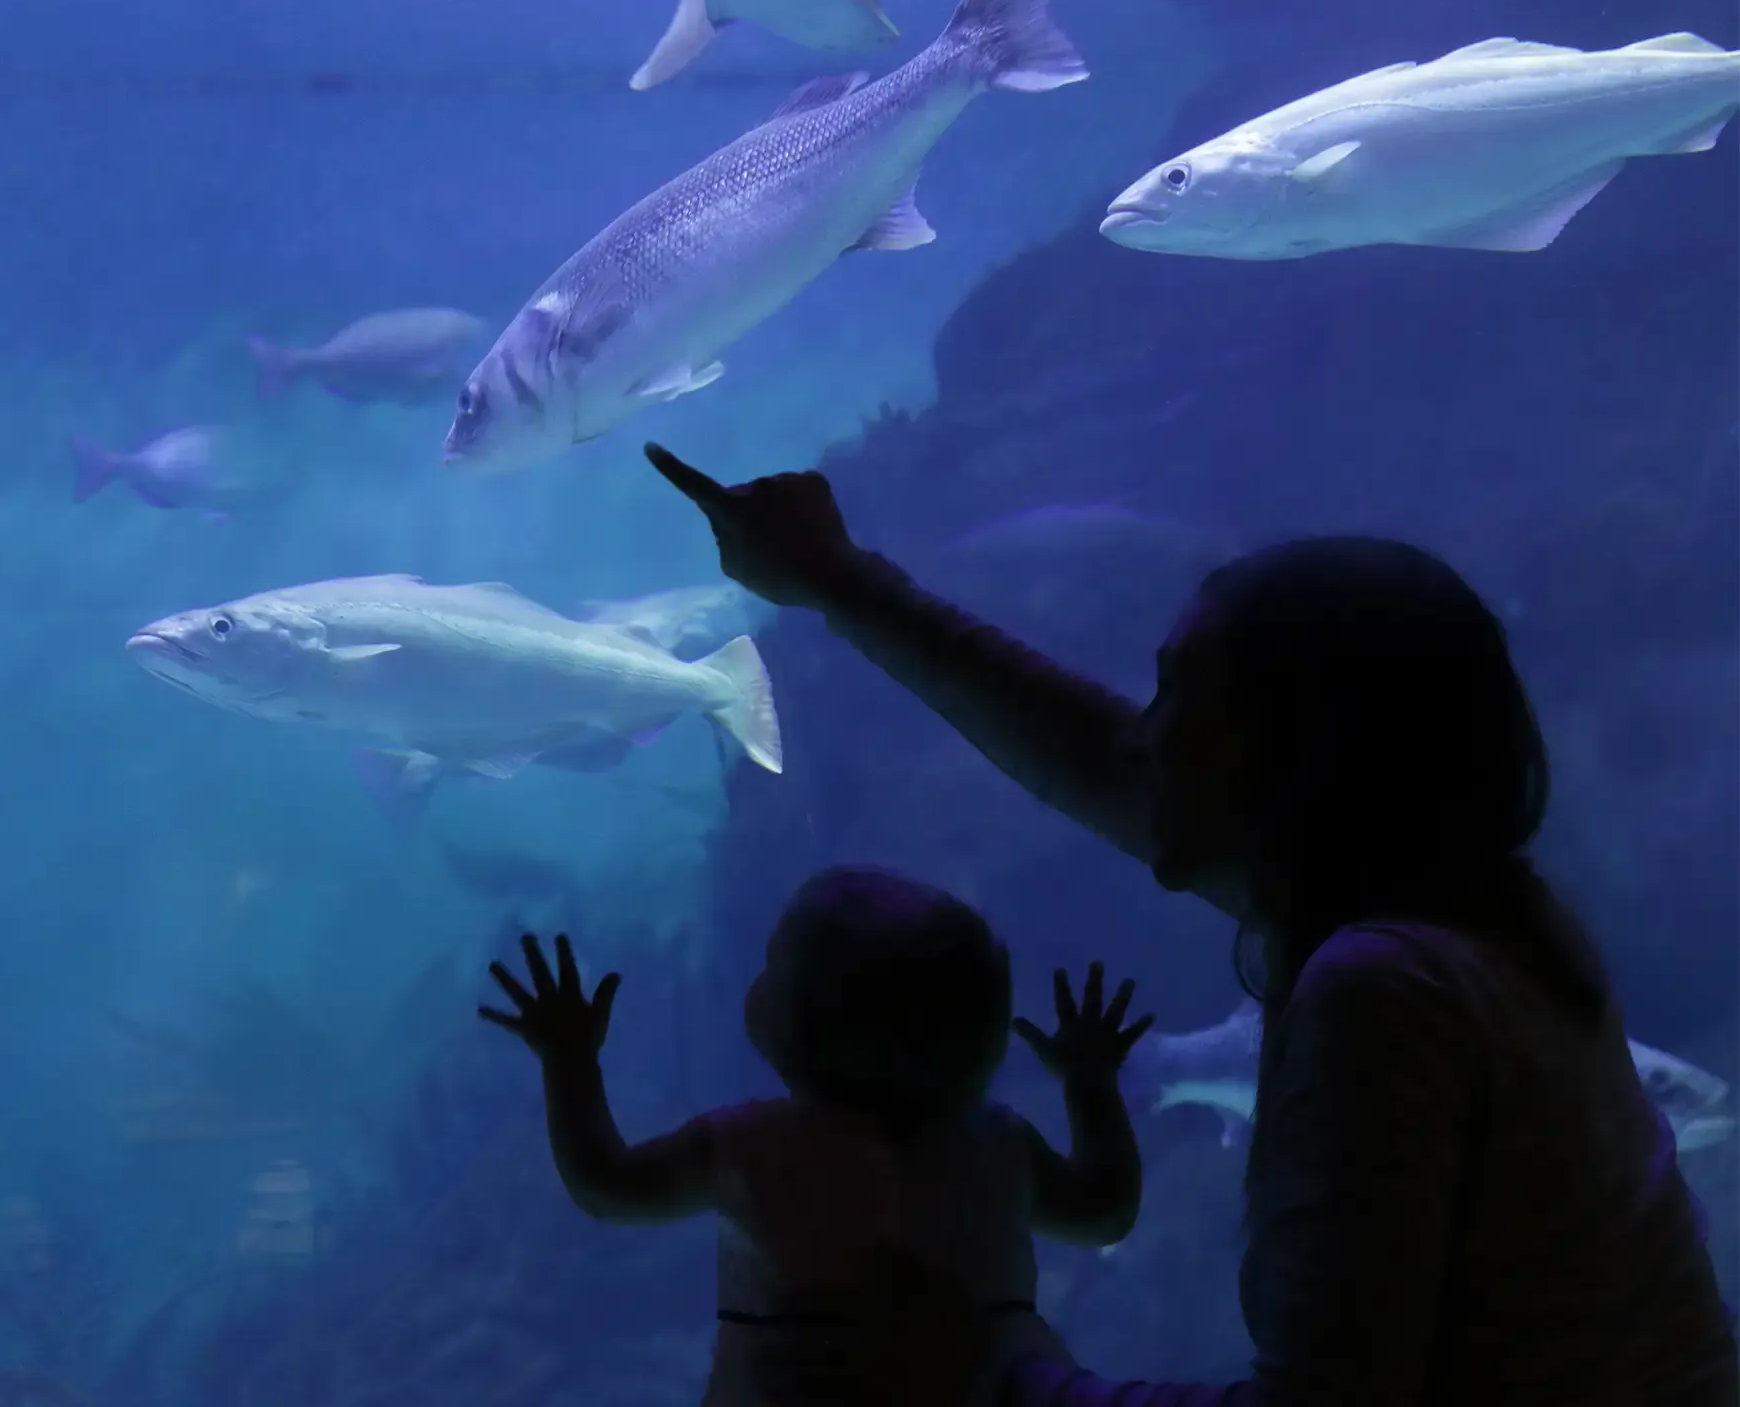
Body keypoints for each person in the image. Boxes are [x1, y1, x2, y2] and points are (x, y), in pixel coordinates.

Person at [641, 441, 1739, 1406]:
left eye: (1177, 696)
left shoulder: (1384, 991)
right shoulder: (1480, 920)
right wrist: (838, 579)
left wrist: (989, 1377)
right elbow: (1095, 757)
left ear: (1296, 753)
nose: (1144, 732)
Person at [477, 865, 1156, 1407]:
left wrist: (569, 1061)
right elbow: (1105, 1211)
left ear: (799, 1025)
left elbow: (608, 1185)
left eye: (772, 966)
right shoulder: (998, 1144)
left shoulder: (749, 1146)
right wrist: (1090, 1084)